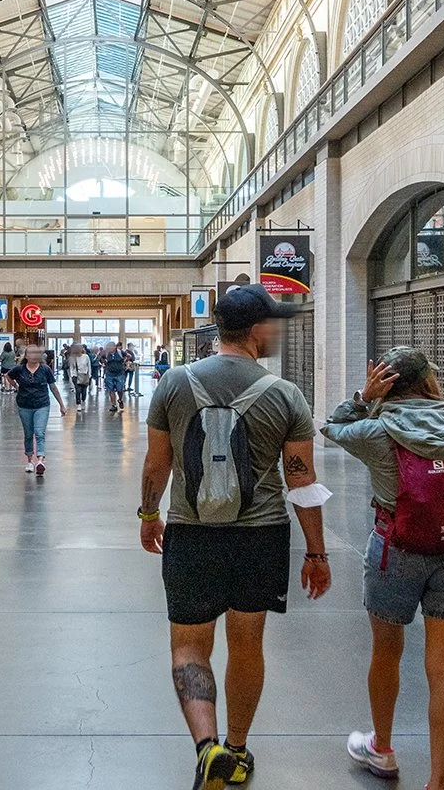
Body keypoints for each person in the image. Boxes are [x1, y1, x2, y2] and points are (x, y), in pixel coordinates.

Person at [139, 284, 330, 790]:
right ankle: (238, 750)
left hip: (191, 533)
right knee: (247, 646)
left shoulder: (174, 383)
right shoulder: (286, 394)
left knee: (188, 647)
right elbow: (301, 480)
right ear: (255, 331)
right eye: (273, 324)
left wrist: (147, 514)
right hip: (260, 536)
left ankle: (207, 749)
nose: (276, 333)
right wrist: (316, 551)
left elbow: (158, 464)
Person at [321, 348, 444, 786]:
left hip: (393, 552)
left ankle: (382, 748)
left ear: (388, 384)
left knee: (386, 654)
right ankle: (438, 783)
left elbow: (331, 428)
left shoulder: (377, 432)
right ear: (430, 382)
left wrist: (364, 396)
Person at [5, 342, 62, 474]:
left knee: (40, 432)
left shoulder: (45, 369)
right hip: (24, 404)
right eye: (31, 353)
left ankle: (40, 459)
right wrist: (16, 386)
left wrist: (61, 404)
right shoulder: (20, 369)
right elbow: (8, 376)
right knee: (28, 433)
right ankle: (29, 460)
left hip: (42, 404)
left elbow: (53, 387)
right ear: (26, 355)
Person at [67, 342, 94, 413]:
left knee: (84, 391)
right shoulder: (73, 357)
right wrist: (72, 375)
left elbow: (89, 366)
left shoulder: (86, 356)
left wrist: (90, 375)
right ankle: (78, 403)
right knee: (78, 390)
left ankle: (83, 401)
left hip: (85, 375)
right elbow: (71, 367)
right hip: (76, 376)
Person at [103, 340, 128, 415]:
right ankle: (113, 405)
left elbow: (129, 356)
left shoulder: (120, 352)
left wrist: (124, 362)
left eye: (111, 347)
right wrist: (104, 363)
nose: (109, 348)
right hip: (109, 374)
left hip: (119, 374)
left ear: (114, 347)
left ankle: (120, 400)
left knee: (120, 389)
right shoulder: (106, 353)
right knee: (111, 390)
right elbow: (100, 357)